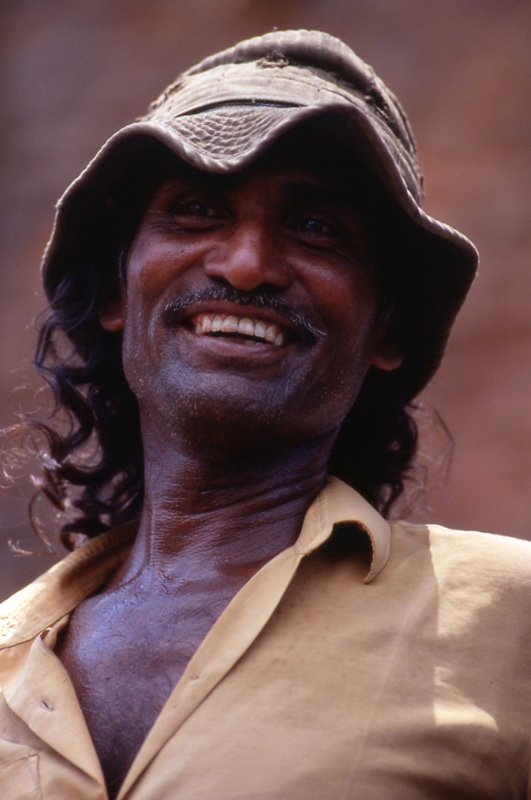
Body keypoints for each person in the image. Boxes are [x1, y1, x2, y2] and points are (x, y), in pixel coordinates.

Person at [0, 29, 530, 800]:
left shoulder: (509, 622)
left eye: (315, 227)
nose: (246, 263)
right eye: (195, 211)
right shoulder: (10, 652)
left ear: (386, 327)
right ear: (117, 292)